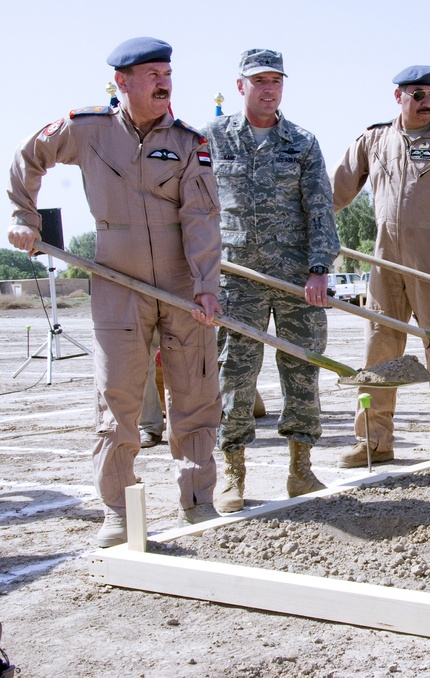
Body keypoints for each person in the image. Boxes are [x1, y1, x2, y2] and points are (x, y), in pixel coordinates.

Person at [8, 37, 223, 546]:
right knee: (118, 401)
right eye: (150, 73)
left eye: (166, 72)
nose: (162, 81)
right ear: (122, 82)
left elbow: (201, 220)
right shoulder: (88, 131)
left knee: (194, 395)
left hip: (181, 283)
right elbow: (28, 156)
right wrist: (24, 216)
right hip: (114, 280)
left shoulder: (192, 142)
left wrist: (206, 287)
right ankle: (120, 511)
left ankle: (198, 501)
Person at [204, 49, 339, 512]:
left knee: (302, 371)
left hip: (296, 280)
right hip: (236, 279)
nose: (268, 88)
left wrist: (319, 269)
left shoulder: (301, 141)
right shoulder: (211, 139)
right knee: (235, 376)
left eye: (276, 80)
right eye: (259, 80)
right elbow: (194, 207)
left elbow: (320, 208)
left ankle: (300, 469)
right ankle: (232, 473)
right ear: (240, 85)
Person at [331, 65, 430, 468]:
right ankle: (373, 441)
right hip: (384, 262)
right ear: (398, 97)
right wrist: (312, 227)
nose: (427, 102)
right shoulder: (374, 140)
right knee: (378, 352)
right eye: (418, 95)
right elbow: (336, 190)